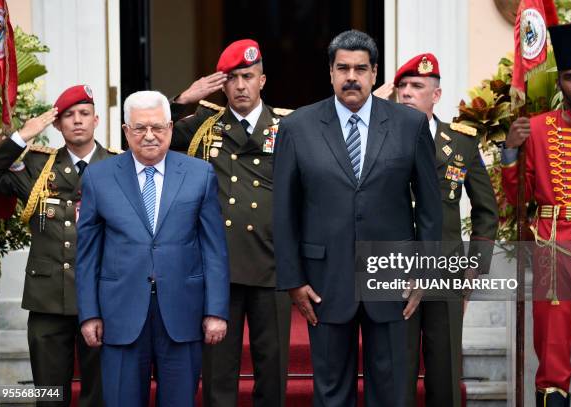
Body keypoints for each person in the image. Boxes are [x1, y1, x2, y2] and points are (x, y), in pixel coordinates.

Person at [273, 29, 442, 406]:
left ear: (374, 73)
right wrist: (293, 279)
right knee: (331, 393)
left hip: (393, 278)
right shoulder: (296, 128)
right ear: (330, 73)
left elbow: (430, 208)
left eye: (361, 69)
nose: (352, 77)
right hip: (323, 280)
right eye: (343, 68)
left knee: (394, 392)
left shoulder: (408, 125)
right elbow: (283, 211)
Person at [75, 90, 230, 407]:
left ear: (171, 128)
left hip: (182, 313)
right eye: (140, 128)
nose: (149, 136)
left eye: (157, 127)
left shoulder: (200, 174)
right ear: (125, 131)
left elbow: (214, 249)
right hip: (120, 314)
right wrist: (89, 313)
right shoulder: (98, 177)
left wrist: (215, 310)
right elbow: (87, 254)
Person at [374, 53, 499, 407]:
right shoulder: (379, 139)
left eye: (417, 87)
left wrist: (475, 266)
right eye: (402, 87)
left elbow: (486, 210)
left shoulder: (461, 142)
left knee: (444, 370)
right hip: (394, 270)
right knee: (398, 371)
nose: (407, 93)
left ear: (436, 95)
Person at [171, 39, 291, 407]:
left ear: (263, 80)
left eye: (248, 77)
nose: (240, 86)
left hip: (273, 266)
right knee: (219, 372)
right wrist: (182, 101)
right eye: (233, 78)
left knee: (273, 369)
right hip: (217, 268)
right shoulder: (203, 126)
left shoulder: (289, 127)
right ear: (221, 85)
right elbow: (147, 141)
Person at [502, 17, 571, 407]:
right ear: (560, 80)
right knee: (552, 359)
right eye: (569, 77)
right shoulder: (538, 128)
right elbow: (515, 195)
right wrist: (511, 150)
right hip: (550, 249)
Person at [0, 85, 111, 406]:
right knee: (48, 396)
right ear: (57, 125)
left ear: (96, 120)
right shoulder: (36, 165)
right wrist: (20, 137)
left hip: (102, 299)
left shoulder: (117, 165)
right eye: (68, 116)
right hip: (48, 302)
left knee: (97, 396)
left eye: (84, 114)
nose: (77, 121)